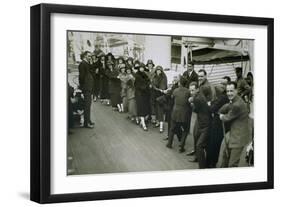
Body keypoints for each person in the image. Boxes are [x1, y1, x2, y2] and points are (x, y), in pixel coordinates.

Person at [219, 81, 250, 167]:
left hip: (239, 137)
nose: (229, 93)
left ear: (236, 90)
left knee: (232, 164)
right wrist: (222, 108)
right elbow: (228, 106)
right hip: (233, 134)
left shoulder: (237, 105)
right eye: (227, 91)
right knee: (225, 156)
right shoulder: (235, 100)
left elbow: (226, 118)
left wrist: (221, 116)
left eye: (231, 91)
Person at [188, 82, 212, 168]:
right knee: (196, 138)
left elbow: (195, 110)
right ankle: (198, 158)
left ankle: (202, 167)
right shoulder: (200, 95)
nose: (191, 92)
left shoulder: (196, 99)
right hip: (202, 122)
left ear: (197, 89)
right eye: (190, 90)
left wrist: (191, 103)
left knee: (199, 145)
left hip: (205, 124)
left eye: (193, 90)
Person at [206, 84, 229, 168]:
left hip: (218, 124)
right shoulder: (225, 97)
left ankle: (211, 163)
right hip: (223, 124)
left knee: (213, 144)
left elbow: (212, 109)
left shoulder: (222, 98)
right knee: (217, 144)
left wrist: (209, 104)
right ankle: (213, 162)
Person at [166, 77, 191, 151]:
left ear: (179, 83)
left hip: (175, 112)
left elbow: (172, 98)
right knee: (185, 130)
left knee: (172, 129)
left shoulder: (175, 90)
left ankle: (169, 144)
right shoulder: (188, 92)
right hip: (184, 113)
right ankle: (181, 146)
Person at [78, 51, 94, 128]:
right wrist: (82, 87)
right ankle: (86, 123)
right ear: (84, 56)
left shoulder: (86, 64)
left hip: (88, 87)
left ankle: (88, 120)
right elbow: (81, 77)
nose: (90, 57)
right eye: (88, 56)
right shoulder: (82, 64)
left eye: (90, 56)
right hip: (86, 88)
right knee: (87, 105)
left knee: (88, 105)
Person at [134, 62, 151, 131]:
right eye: (140, 68)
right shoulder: (137, 75)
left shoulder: (145, 75)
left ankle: (142, 121)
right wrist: (147, 86)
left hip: (145, 94)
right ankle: (143, 123)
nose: (142, 69)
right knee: (141, 108)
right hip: (139, 94)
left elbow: (148, 81)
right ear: (139, 68)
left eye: (143, 68)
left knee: (145, 108)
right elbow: (140, 85)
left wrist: (148, 84)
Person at [151, 65, 168, 132]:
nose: (158, 71)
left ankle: (161, 125)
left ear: (161, 71)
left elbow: (163, 87)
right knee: (156, 110)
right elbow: (152, 84)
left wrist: (158, 89)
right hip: (155, 95)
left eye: (159, 70)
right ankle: (158, 122)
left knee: (160, 110)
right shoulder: (154, 76)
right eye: (157, 70)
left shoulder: (164, 77)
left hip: (161, 96)